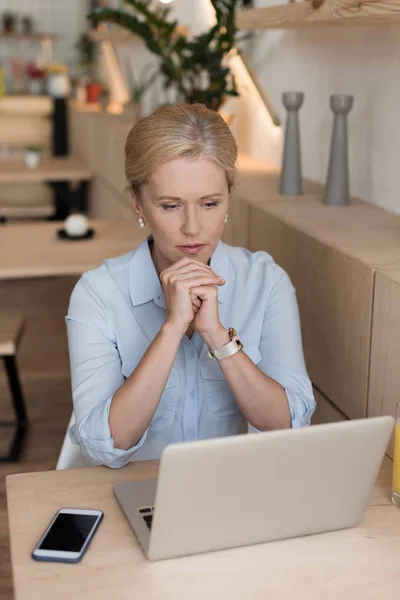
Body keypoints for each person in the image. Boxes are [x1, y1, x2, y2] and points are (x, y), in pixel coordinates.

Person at [66, 103, 316, 468]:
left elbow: (289, 425)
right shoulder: (98, 294)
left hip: (226, 496)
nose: (193, 228)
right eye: (170, 206)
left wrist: (216, 334)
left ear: (228, 199)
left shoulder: (265, 281)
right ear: (139, 205)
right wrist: (171, 328)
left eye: (210, 203)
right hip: (128, 493)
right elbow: (104, 444)